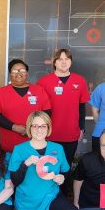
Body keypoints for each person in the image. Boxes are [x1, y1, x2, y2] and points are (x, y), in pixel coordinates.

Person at [9, 111, 82, 210]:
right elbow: (15, 180)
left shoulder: (57, 148)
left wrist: (62, 179)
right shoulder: (20, 150)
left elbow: (65, 171)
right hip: (29, 200)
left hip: (51, 196)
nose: (39, 129)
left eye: (43, 125)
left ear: (48, 128)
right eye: (35, 125)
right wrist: (25, 164)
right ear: (29, 128)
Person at [37, 49, 90, 196]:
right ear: (54, 62)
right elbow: (39, 109)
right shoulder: (44, 82)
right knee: (48, 166)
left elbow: (82, 107)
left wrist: (82, 128)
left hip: (71, 133)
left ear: (71, 61)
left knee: (65, 167)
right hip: (50, 134)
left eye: (67, 59)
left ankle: (61, 196)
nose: (64, 61)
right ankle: (46, 196)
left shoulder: (79, 81)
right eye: (60, 59)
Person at [0, 59, 51, 153]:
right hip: (7, 147)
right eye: (15, 71)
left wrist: (30, 128)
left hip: (34, 146)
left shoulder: (39, 90)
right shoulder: (1, 92)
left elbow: (46, 114)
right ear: (10, 74)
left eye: (22, 70)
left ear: (27, 73)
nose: (19, 73)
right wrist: (14, 127)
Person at [73, 130, 105, 210]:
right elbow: (78, 179)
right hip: (92, 204)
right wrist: (76, 201)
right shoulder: (88, 160)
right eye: (104, 145)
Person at [89, 82, 105, 152]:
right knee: (97, 161)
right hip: (100, 133)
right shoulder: (101, 88)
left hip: (100, 131)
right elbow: (95, 112)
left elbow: (95, 112)